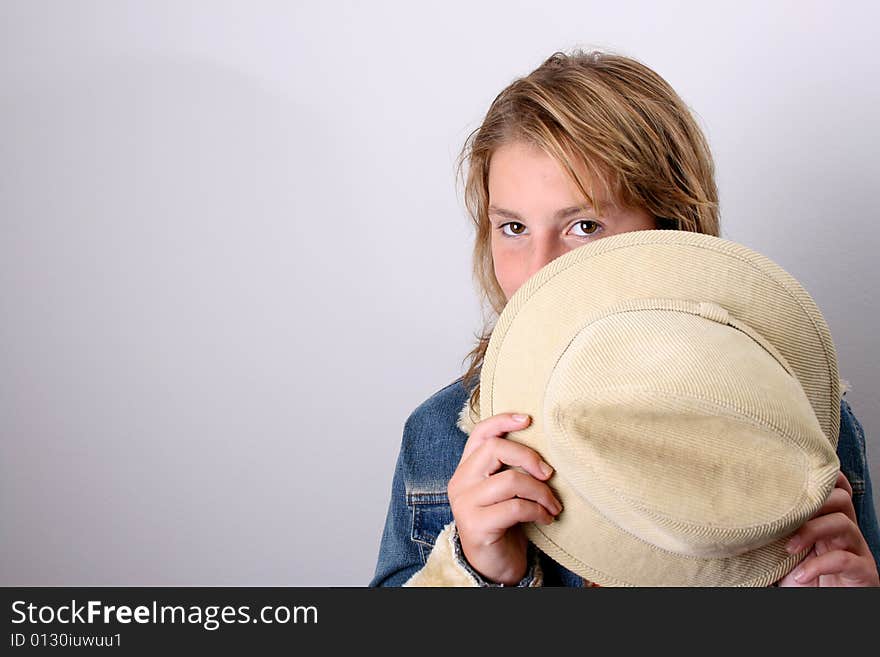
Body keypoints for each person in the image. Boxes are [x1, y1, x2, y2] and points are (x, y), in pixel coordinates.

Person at [369, 49, 880, 587]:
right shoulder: (440, 438)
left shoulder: (795, 423)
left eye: (584, 225)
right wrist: (479, 574)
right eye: (513, 228)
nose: (540, 269)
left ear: (669, 228)